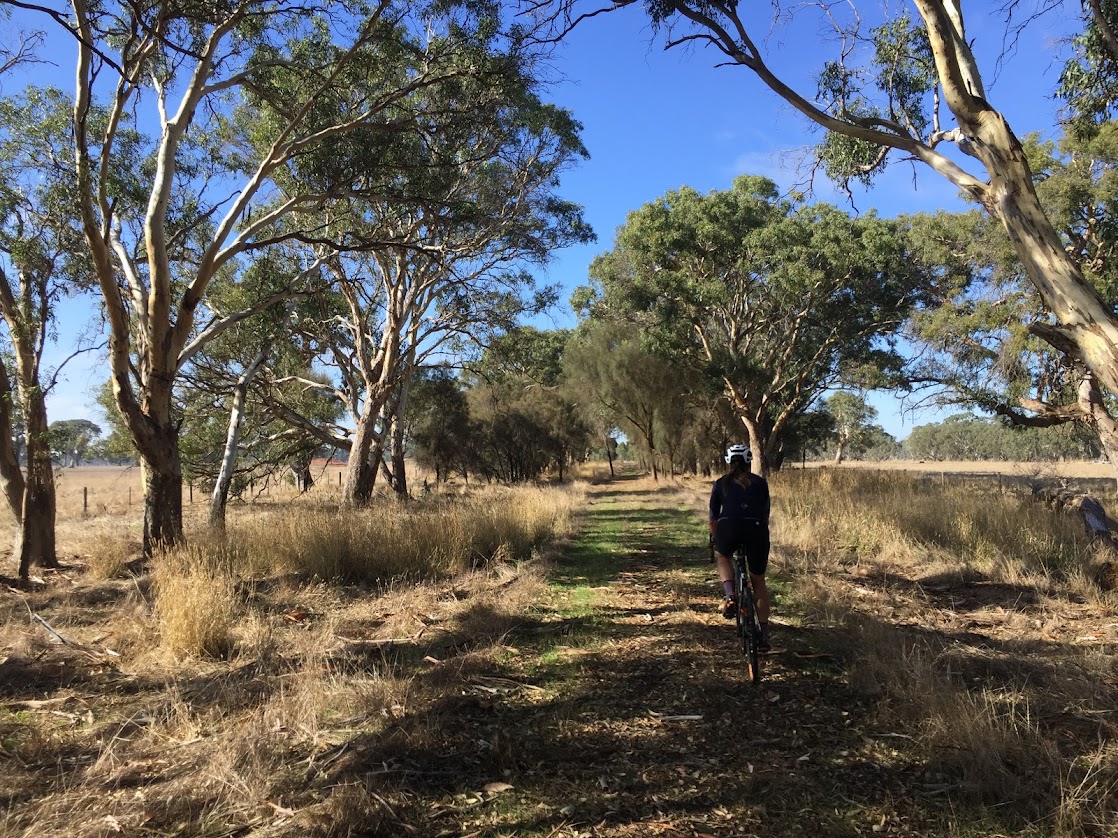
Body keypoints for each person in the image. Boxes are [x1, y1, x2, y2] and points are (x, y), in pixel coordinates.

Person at [708, 443, 772, 651]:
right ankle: (764, 633)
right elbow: (765, 514)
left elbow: (713, 518)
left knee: (723, 556)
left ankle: (730, 595)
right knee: (759, 582)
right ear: (748, 462)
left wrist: (717, 539)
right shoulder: (761, 483)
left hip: (729, 527)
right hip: (756, 529)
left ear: (728, 462)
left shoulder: (720, 483)